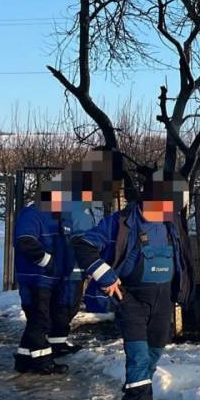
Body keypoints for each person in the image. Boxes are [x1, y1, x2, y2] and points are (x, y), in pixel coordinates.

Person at [72, 170, 194, 400]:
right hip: (131, 299)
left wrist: (183, 289)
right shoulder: (121, 223)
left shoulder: (171, 223)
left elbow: (183, 258)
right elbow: (82, 244)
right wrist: (105, 275)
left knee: (153, 353)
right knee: (138, 356)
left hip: (163, 300)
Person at [50, 149, 123, 355]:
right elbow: (77, 233)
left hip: (73, 263)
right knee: (65, 304)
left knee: (68, 305)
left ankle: (57, 341)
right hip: (69, 264)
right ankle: (50, 346)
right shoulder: (75, 201)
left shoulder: (79, 197)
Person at [13, 176, 76, 374]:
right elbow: (25, 241)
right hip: (36, 278)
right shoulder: (32, 214)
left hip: (52, 279)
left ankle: (24, 358)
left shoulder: (58, 216)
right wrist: (47, 261)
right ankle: (42, 361)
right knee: (40, 320)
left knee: (38, 319)